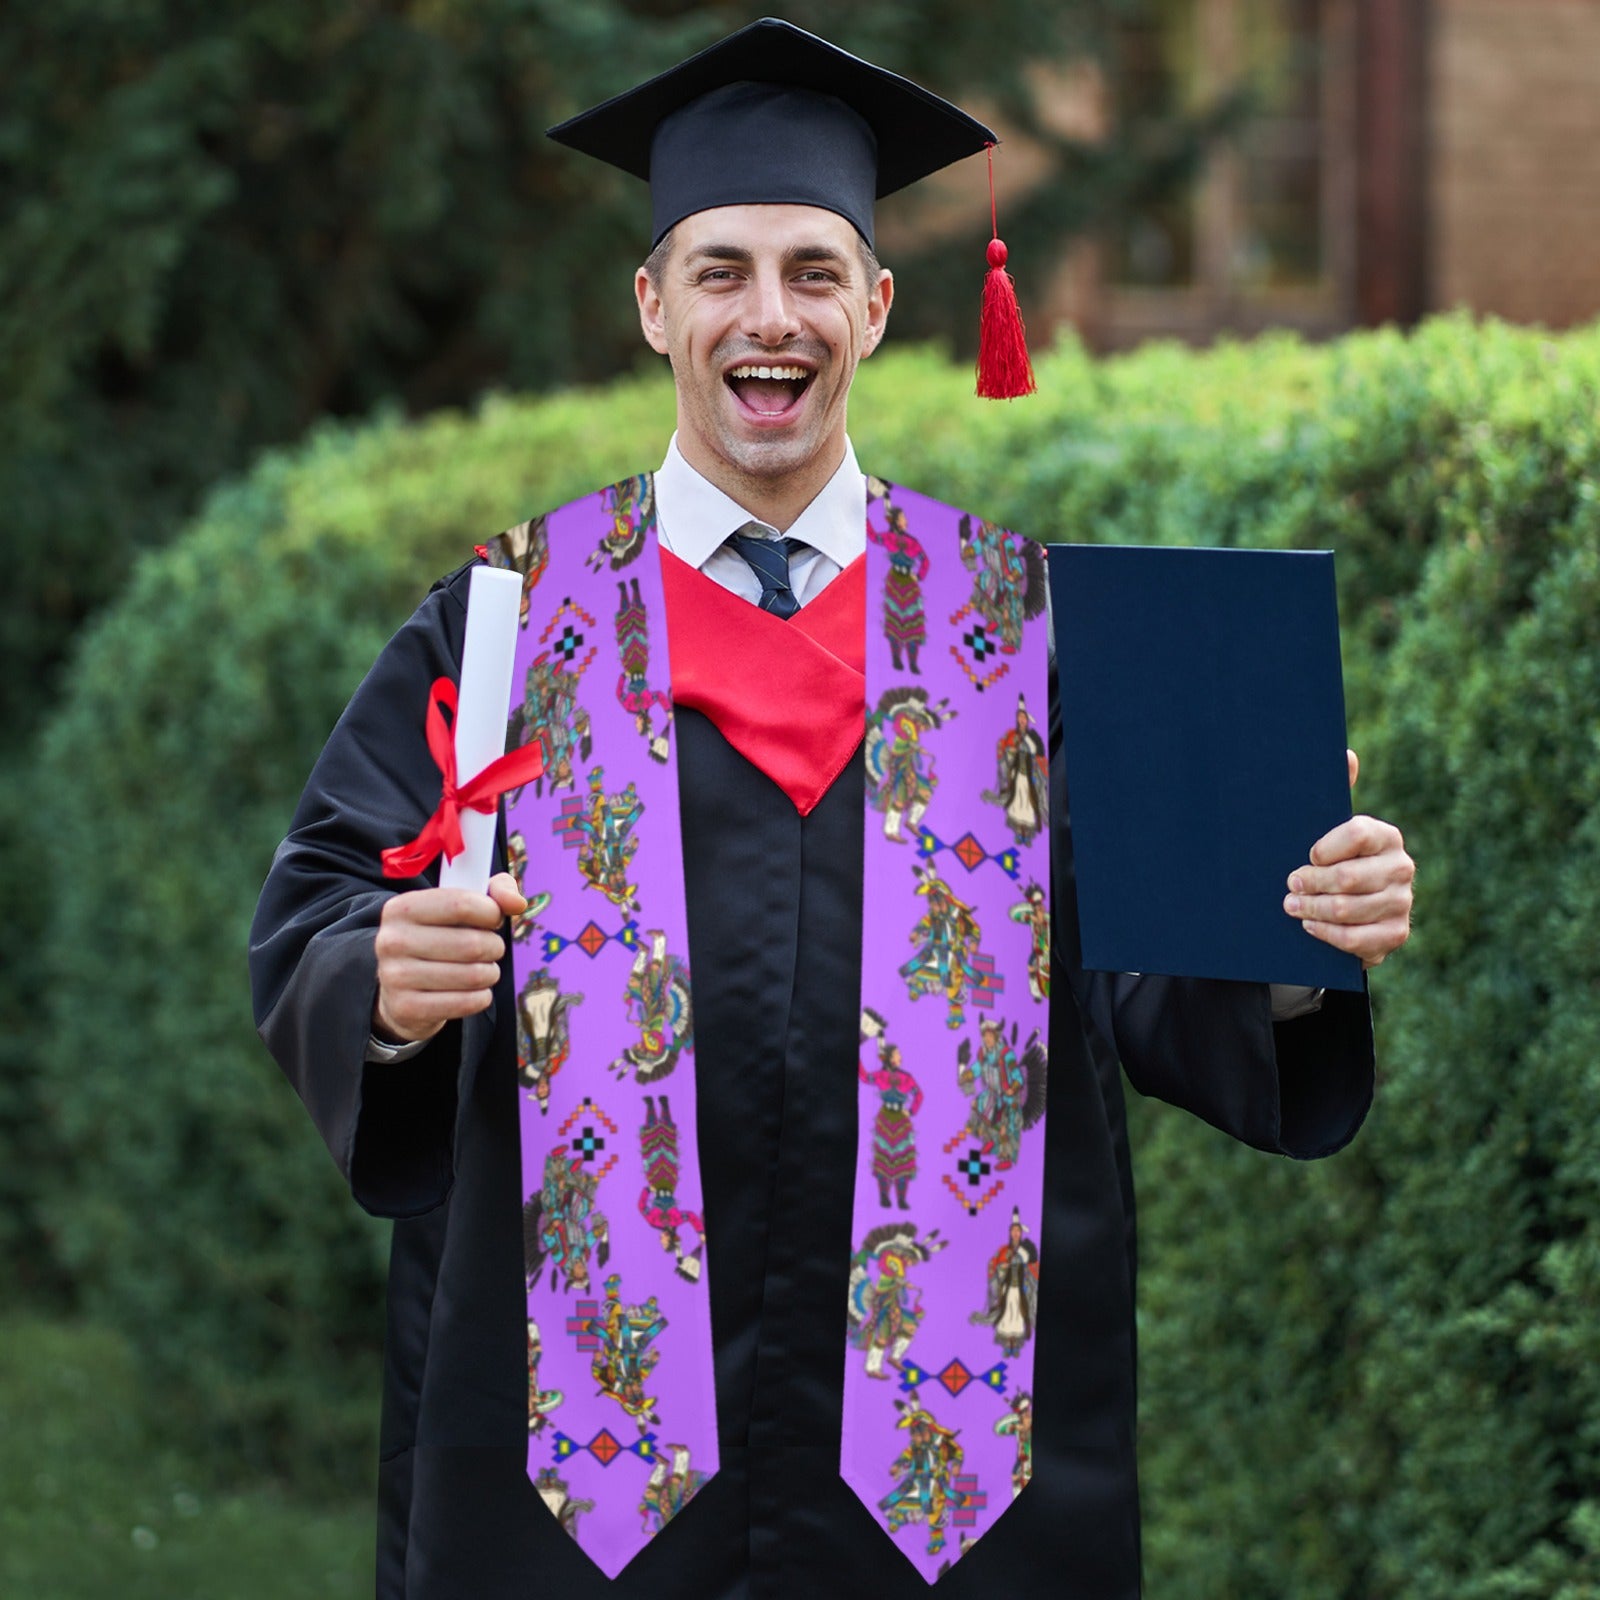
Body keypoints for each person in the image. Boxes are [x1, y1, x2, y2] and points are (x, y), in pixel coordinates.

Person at [249, 19, 1415, 1600]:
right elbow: (325, 901)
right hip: (582, 1482)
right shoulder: (513, 625)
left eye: (812, 271)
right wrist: (380, 983)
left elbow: (1148, 978)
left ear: (876, 305)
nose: (768, 316)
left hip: (952, 1485)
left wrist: (1292, 932)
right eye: (721, 270)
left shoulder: (1023, 627)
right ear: (654, 305)